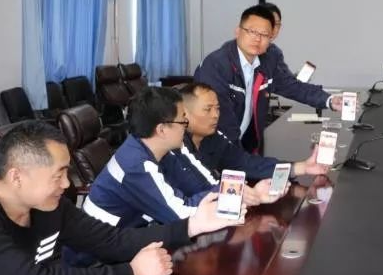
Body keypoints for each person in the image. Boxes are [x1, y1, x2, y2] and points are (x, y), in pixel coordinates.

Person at [0, 121, 242, 275]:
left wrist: (192, 225)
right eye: (58, 175)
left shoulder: (51, 206)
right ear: (16, 177)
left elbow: (113, 241)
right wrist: (131, 273)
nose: (67, 184)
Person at [83, 87, 281, 229]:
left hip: (137, 233)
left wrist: (244, 193)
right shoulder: (136, 165)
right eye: (182, 121)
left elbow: (206, 185)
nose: (186, 126)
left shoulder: (165, 146)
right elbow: (181, 213)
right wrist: (233, 195)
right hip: (101, 256)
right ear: (162, 129)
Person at [194, 5, 342, 153]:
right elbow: (221, 120)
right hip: (211, 150)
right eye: (252, 31)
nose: (257, 39)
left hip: (243, 145)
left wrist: (329, 100)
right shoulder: (217, 65)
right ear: (238, 31)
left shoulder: (268, 59)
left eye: (264, 35)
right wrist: (242, 160)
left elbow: (292, 86)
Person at [176, 82, 329, 180]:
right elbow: (202, 186)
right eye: (207, 109)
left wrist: (301, 167)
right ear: (184, 113)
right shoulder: (175, 147)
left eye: (217, 108)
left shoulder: (213, 137)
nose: (215, 115)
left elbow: (247, 164)